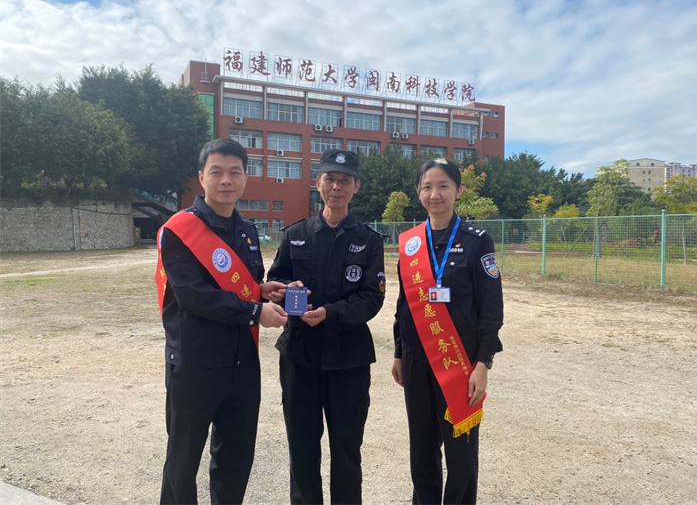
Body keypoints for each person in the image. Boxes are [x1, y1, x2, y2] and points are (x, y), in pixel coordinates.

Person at [156, 138, 289, 504]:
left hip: (242, 363)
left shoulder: (246, 230)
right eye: (216, 172)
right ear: (202, 178)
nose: (226, 180)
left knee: (235, 457)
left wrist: (261, 292)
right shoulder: (179, 230)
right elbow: (193, 295)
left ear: (245, 178)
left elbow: (239, 288)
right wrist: (254, 312)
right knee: (182, 459)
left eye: (235, 172)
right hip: (195, 363)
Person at [267, 148, 386, 504]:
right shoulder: (295, 234)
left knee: (347, 450)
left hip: (348, 359)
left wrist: (330, 313)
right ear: (317, 183)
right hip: (299, 356)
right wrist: (288, 292)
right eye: (330, 179)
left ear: (356, 186)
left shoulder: (368, 240)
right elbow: (275, 283)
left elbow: (372, 297)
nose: (337, 187)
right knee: (302, 447)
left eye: (344, 180)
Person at [391, 158, 503, 505]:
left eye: (443, 186)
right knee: (422, 448)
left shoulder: (477, 241)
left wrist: (483, 363)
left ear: (457, 190)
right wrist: (399, 352)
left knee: (461, 452)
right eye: (427, 186)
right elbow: (403, 303)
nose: (435, 194)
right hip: (416, 361)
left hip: (460, 363)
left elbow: (491, 308)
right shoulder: (410, 244)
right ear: (418, 192)